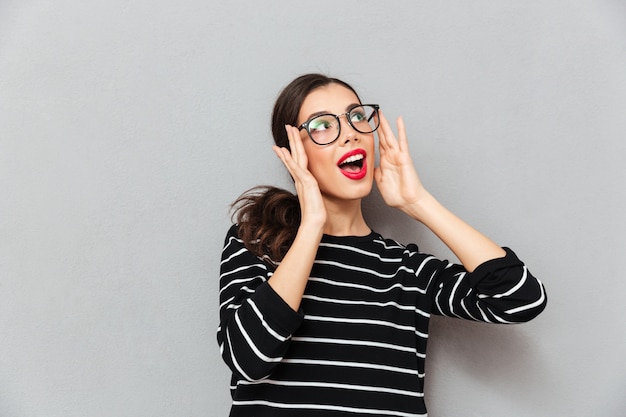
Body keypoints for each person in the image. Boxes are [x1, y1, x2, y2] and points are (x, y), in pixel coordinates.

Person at [217, 73, 547, 417]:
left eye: (357, 117)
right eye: (323, 126)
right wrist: (312, 223)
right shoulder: (257, 241)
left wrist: (419, 203)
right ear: (292, 153)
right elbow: (248, 359)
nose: (349, 134)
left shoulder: (408, 270)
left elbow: (521, 299)